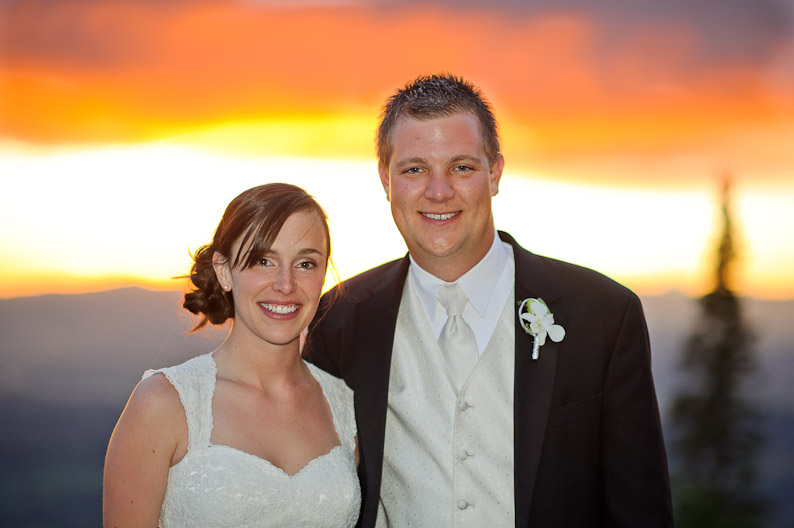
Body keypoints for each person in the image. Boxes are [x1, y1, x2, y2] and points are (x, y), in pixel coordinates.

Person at [304, 74, 673, 527]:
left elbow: (641, 511)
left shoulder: (604, 315)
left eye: (461, 167)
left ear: (495, 173)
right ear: (386, 178)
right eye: (414, 169)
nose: (438, 192)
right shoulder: (339, 318)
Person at [103, 183, 360, 528]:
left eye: (305, 263)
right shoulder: (166, 404)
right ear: (224, 270)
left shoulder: (346, 406)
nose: (286, 284)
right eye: (263, 261)